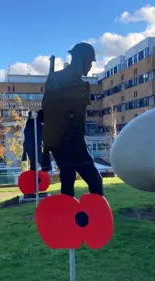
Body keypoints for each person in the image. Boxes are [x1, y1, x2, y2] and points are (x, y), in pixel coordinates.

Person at [42, 42, 103, 197]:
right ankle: (94, 217)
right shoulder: (57, 78)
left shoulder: (81, 84)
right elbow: (50, 113)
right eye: (89, 62)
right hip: (65, 140)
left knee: (69, 180)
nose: (90, 67)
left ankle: (75, 218)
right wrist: (48, 146)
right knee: (92, 180)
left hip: (74, 139)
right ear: (80, 60)